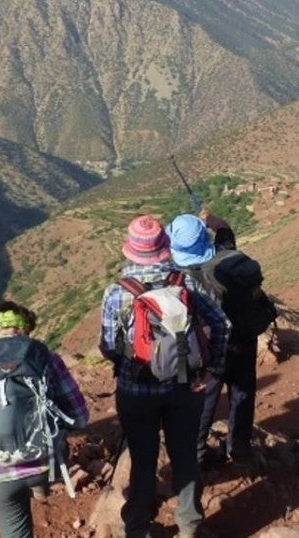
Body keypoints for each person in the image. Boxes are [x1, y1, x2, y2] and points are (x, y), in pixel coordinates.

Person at [99, 214, 229, 538]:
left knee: (143, 459)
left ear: (130, 250)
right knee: (185, 456)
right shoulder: (185, 283)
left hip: (136, 388)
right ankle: (190, 524)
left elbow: (108, 345)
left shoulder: (117, 292)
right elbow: (221, 324)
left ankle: (137, 526)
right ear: (165, 247)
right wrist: (211, 367)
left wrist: (127, 363)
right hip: (185, 385)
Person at [0, 300, 89, 538]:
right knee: (51, 444)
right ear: (26, 329)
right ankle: (39, 486)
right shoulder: (47, 359)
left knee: (15, 532)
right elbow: (80, 418)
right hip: (44, 463)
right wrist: (54, 432)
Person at [166, 213, 264, 467]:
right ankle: (240, 449)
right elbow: (224, 230)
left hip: (208, 346)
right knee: (242, 393)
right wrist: (210, 218)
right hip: (243, 337)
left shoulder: (179, 276)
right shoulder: (225, 256)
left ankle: (196, 452)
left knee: (206, 399)